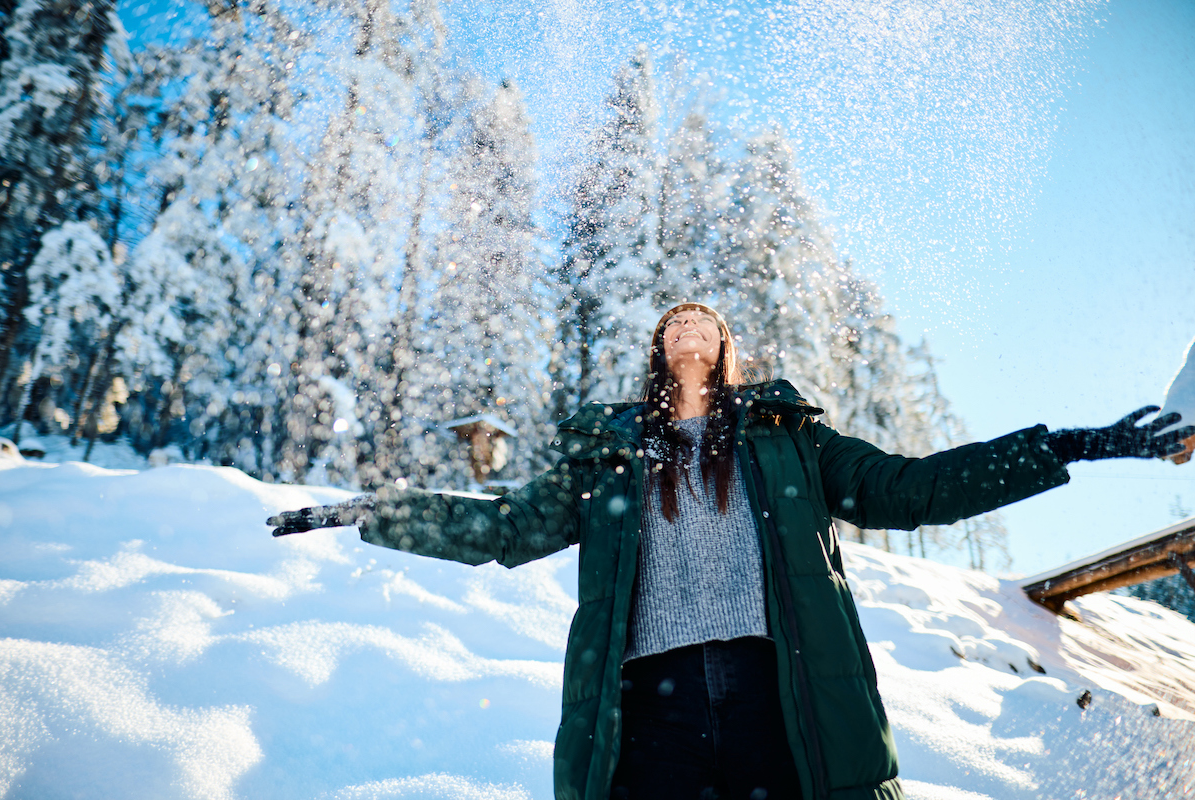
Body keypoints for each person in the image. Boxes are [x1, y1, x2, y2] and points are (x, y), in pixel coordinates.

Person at [268, 302, 1192, 800]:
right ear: (658, 350)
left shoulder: (789, 442)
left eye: (704, 319)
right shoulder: (611, 456)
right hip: (649, 705)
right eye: (672, 320)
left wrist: (1071, 443)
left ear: (726, 348)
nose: (688, 326)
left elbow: (916, 489)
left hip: (773, 692)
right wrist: (380, 512)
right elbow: (508, 528)